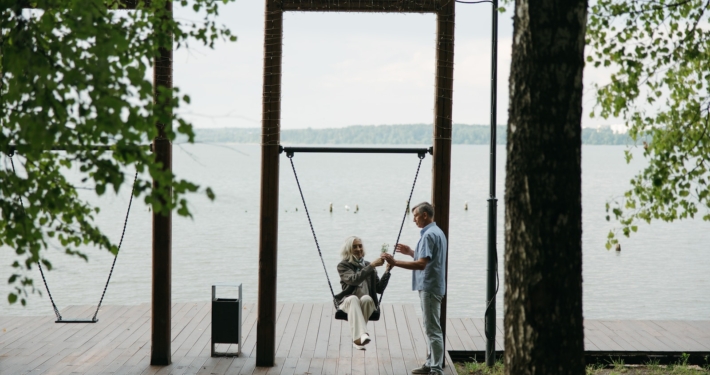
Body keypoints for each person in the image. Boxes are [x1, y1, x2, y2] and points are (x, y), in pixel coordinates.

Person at [381, 202, 447, 375]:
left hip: (430, 287)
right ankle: (430, 363)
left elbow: (421, 265)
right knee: (430, 326)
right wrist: (410, 251)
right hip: (435, 286)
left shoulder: (428, 235)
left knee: (433, 328)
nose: (414, 220)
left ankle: (436, 369)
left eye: (416, 216)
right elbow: (428, 258)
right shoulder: (437, 232)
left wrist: (395, 263)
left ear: (425, 215)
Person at [334, 236, 391, 350]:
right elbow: (354, 279)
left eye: (360, 246)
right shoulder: (343, 266)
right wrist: (372, 266)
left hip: (366, 303)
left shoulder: (369, 265)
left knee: (366, 298)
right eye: (354, 247)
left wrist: (387, 271)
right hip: (348, 303)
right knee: (353, 298)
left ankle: (359, 338)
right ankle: (361, 336)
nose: (358, 249)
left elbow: (379, 289)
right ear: (348, 250)